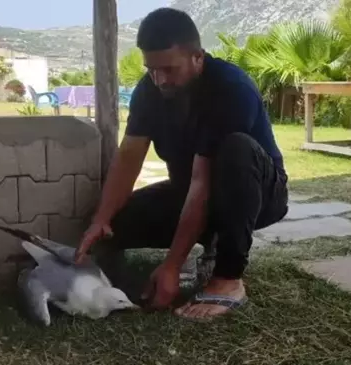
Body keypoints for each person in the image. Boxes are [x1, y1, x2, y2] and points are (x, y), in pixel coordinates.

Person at [75, 7, 288, 321]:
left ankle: (228, 279)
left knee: (236, 149)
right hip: (190, 190)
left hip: (256, 194)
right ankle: (210, 238)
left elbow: (203, 181)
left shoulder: (230, 87)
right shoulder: (149, 91)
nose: (159, 79)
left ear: (198, 58)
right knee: (116, 224)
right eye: (151, 69)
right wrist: (101, 218)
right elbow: (129, 156)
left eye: (169, 69)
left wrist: (173, 265)